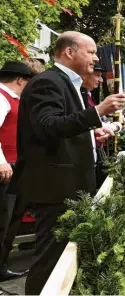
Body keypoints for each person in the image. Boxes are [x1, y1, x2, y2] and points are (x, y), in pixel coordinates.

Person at [15, 31, 125, 294]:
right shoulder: (48, 82)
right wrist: (98, 112)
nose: (96, 58)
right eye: (91, 52)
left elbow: (65, 129)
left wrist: (92, 133)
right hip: (57, 189)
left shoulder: (70, 85)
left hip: (70, 186)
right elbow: (48, 126)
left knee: (65, 259)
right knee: (51, 265)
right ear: (69, 52)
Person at [0, 61, 34, 295]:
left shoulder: (14, 99)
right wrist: (0, 160)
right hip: (5, 167)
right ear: (21, 80)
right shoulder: (1, 97)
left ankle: (1, 267)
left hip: (14, 166)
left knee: (10, 223)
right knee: (1, 224)